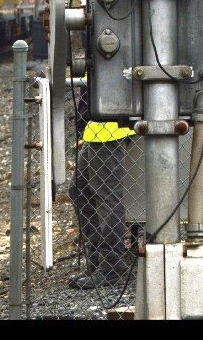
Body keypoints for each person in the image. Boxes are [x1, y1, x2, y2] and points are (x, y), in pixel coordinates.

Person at [68, 98, 135, 290]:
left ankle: (111, 263)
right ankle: (97, 260)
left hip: (112, 123)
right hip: (99, 124)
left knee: (107, 195)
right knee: (79, 189)